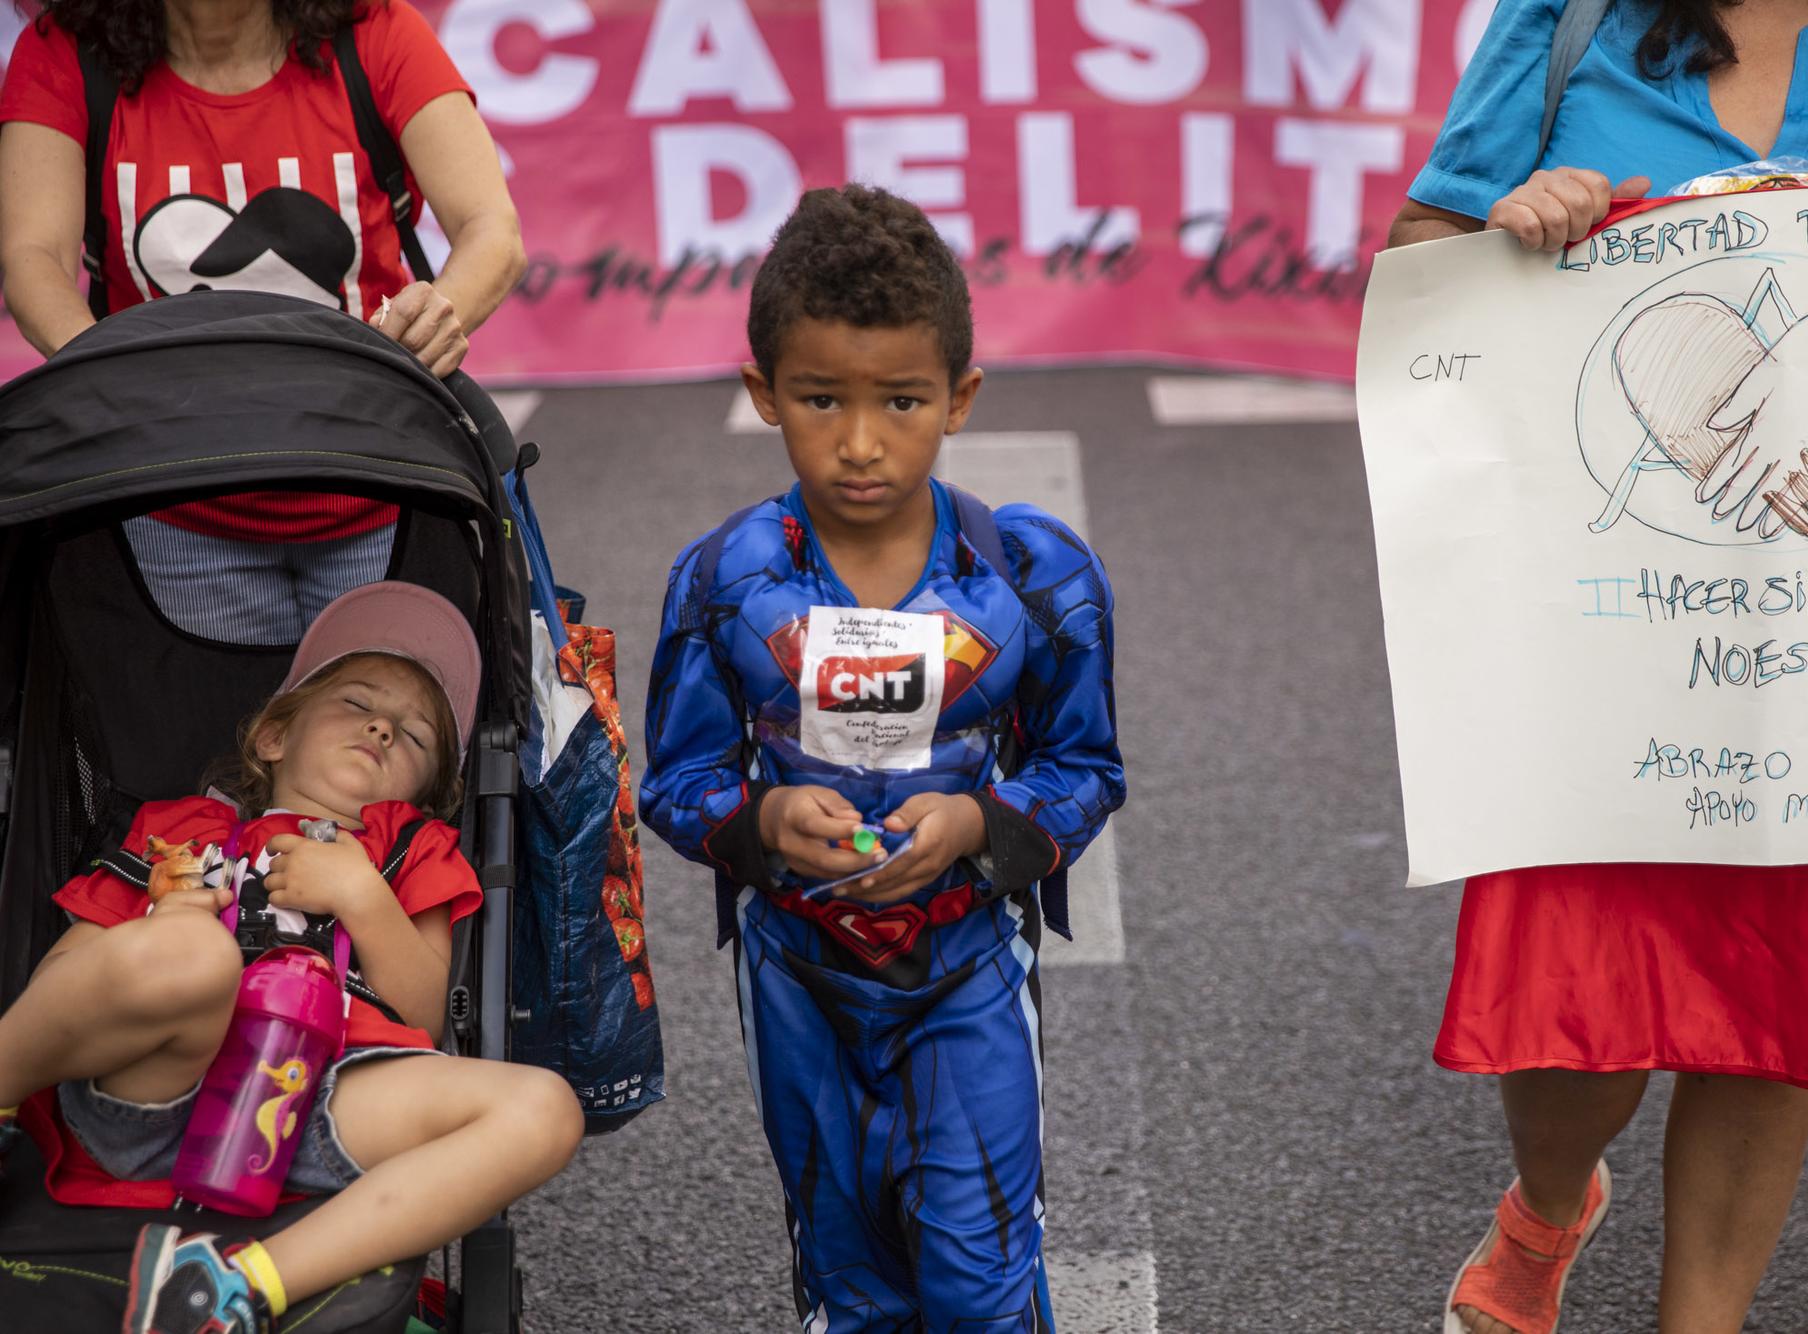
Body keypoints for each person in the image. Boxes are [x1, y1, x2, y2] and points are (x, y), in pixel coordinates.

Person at [1386, 3, 1808, 1333]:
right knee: (1578, 1013)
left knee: (1776, 1000)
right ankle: (1547, 1207)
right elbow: (1421, 262)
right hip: (1604, 643)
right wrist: (1510, 227)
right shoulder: (1568, 22)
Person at [641, 183, 1125, 1330]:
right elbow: (673, 779)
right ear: (763, 393)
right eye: (820, 399)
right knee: (848, 1283)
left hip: (968, 967)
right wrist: (756, 822)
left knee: (979, 1278)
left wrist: (978, 825)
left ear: (958, 398)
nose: (860, 442)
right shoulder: (723, 581)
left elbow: (1085, 766)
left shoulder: (1032, 577)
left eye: (901, 400)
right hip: (793, 973)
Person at [0, 580, 582, 1333]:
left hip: (320, 1100)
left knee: (543, 1109)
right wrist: (160, 925)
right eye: (356, 703)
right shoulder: (185, 829)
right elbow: (62, 978)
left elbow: (422, 1016)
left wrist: (364, 897)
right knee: (194, 957)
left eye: (414, 736)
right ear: (274, 736)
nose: (381, 729)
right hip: (156, 1079)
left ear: (427, 792)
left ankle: (228, 1288)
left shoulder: (411, 851)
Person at [0, 0, 524, 646]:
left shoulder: (377, 33)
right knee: (202, 744)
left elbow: (492, 231)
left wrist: (440, 316)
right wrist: (115, 387)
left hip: (379, 489)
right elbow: (33, 260)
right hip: (169, 503)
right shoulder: (64, 53)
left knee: (377, 738)